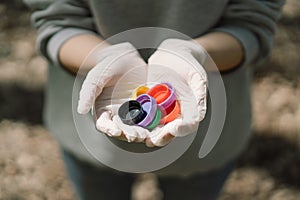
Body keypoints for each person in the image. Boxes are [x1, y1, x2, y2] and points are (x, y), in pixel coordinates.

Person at [24, 0, 284, 199]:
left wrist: (196, 54)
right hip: (90, 139)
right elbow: (56, 18)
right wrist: (101, 59)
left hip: (205, 139)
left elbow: (253, 21)